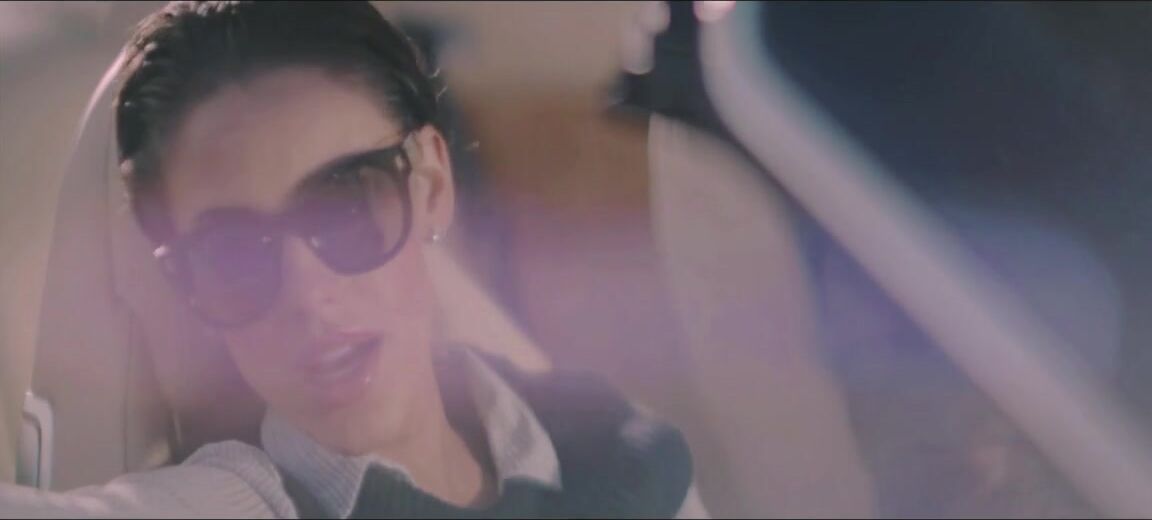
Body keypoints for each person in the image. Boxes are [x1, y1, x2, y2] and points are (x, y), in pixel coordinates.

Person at [0, 1, 705, 517]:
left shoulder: (617, 450)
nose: (307, 295)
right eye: (234, 255)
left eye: (344, 207)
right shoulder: (240, 501)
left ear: (431, 185)